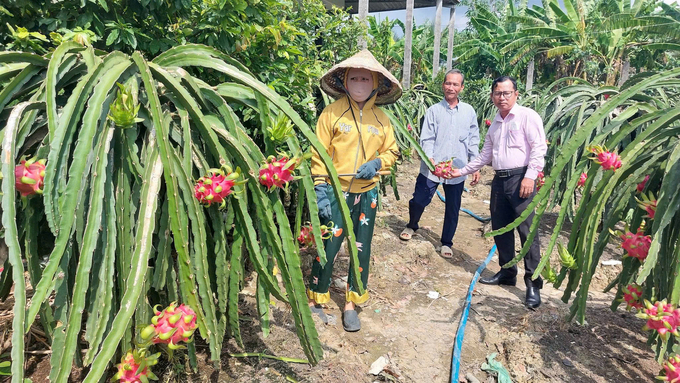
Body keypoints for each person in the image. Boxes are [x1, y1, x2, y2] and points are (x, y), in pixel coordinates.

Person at [308, 49, 401, 332]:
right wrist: (321, 187)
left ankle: (351, 302)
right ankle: (316, 298)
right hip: (336, 192)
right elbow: (318, 151)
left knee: (361, 248)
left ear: (375, 84)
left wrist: (377, 162)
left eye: (365, 78)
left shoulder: (382, 119)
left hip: (367, 194)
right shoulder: (331, 113)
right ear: (345, 82)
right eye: (354, 78)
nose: (360, 83)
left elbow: (392, 152)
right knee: (328, 245)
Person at [450, 76, 547, 309]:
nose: (502, 97)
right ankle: (507, 272)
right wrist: (461, 171)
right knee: (500, 228)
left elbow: (539, 147)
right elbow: (485, 156)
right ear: (492, 96)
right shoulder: (495, 124)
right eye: (497, 93)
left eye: (506, 93)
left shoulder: (527, 117)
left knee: (527, 232)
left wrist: (530, 176)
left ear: (516, 94)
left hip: (521, 179)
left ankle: (533, 283)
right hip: (500, 180)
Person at [398, 69, 480, 259]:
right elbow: (427, 138)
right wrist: (430, 159)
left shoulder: (468, 112)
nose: (451, 87)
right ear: (443, 85)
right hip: (432, 166)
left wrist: (475, 164)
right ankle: (412, 225)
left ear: (461, 87)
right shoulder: (433, 110)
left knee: (453, 206)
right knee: (419, 199)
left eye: (455, 84)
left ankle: (446, 242)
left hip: (457, 167)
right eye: (448, 83)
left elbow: (474, 139)